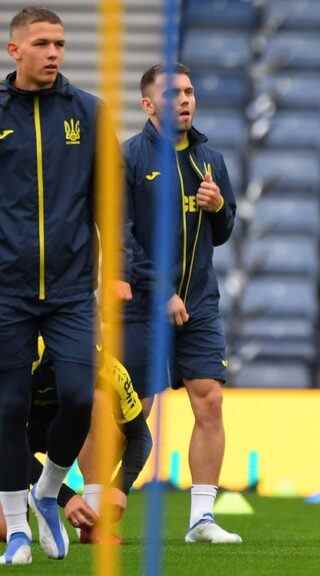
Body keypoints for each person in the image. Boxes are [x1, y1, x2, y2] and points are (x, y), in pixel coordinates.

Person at [0, 7, 111, 565]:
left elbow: (111, 203)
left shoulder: (90, 112)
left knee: (77, 398)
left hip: (70, 290)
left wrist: (115, 268)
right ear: (14, 50)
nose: (53, 53)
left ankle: (47, 495)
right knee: (10, 405)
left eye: (60, 44)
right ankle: (16, 529)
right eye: (41, 43)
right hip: (6, 289)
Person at [119, 63, 240, 544]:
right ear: (148, 105)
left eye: (190, 91)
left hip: (200, 302)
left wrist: (218, 208)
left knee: (209, 399)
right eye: (172, 94)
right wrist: (160, 291)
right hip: (143, 305)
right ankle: (99, 496)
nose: (185, 100)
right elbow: (122, 239)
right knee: (134, 408)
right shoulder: (128, 158)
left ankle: (202, 520)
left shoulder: (209, 158)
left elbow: (226, 230)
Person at [0, 337, 152, 545]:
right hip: (17, 436)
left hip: (65, 433)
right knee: (4, 531)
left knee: (101, 401)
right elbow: (7, 442)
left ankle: (92, 517)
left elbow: (141, 436)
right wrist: (66, 496)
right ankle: (27, 497)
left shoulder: (110, 369)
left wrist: (120, 487)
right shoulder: (23, 360)